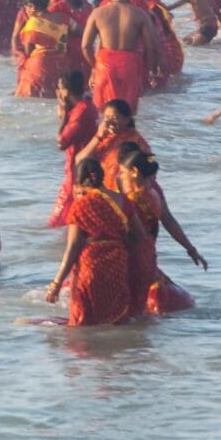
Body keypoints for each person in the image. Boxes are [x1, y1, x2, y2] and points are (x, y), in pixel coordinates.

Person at [45, 157, 137, 325]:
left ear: (79, 182)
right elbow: (138, 236)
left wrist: (56, 283)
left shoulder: (80, 206)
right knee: (114, 321)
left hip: (90, 267)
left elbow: (73, 247)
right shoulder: (123, 201)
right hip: (117, 265)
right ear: (101, 176)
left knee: (82, 324)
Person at [119, 148, 204, 315]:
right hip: (148, 255)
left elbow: (129, 234)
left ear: (134, 172)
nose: (120, 177)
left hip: (135, 256)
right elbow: (168, 220)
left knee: (129, 309)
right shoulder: (153, 194)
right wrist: (191, 249)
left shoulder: (134, 200)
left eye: (122, 172)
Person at [81, 0, 159, 112]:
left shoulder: (97, 13)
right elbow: (152, 46)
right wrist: (152, 71)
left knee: (102, 111)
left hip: (104, 64)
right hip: (130, 64)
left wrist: (95, 66)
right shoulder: (139, 14)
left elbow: (85, 46)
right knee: (127, 112)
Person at [49, 70, 98, 227]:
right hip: (86, 169)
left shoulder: (80, 113)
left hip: (77, 173)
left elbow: (61, 143)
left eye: (59, 88)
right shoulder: (88, 104)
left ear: (66, 91)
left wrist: (64, 114)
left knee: (56, 222)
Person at [75, 98, 150, 191]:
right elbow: (80, 160)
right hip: (103, 191)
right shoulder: (102, 138)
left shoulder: (135, 140)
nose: (110, 122)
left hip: (126, 193)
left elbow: (148, 170)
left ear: (127, 119)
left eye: (115, 118)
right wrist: (98, 137)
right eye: (107, 117)